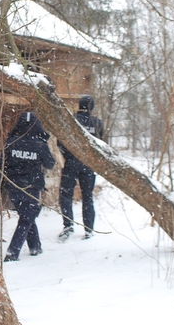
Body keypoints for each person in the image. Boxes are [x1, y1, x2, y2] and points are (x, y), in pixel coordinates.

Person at [0, 112, 56, 262]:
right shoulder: (40, 144)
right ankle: (12, 252)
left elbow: (0, 165)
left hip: (14, 186)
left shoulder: (11, 142)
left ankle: (36, 247)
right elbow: (50, 163)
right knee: (27, 218)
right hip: (32, 186)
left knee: (27, 216)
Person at [58, 95, 104, 241]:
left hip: (71, 163)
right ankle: (89, 229)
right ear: (92, 107)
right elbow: (102, 145)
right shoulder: (97, 123)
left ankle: (68, 225)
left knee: (66, 195)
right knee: (88, 196)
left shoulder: (70, 121)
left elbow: (61, 142)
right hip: (88, 166)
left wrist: (68, 155)